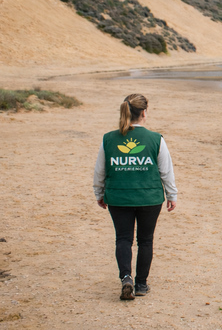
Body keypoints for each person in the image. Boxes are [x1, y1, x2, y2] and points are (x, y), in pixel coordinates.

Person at [93, 94, 178, 300]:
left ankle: (126, 278)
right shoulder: (156, 139)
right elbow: (165, 171)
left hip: (118, 197)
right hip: (149, 197)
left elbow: (100, 171)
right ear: (144, 114)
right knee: (145, 240)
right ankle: (141, 284)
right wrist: (171, 194)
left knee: (123, 238)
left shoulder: (109, 138)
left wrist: (99, 193)